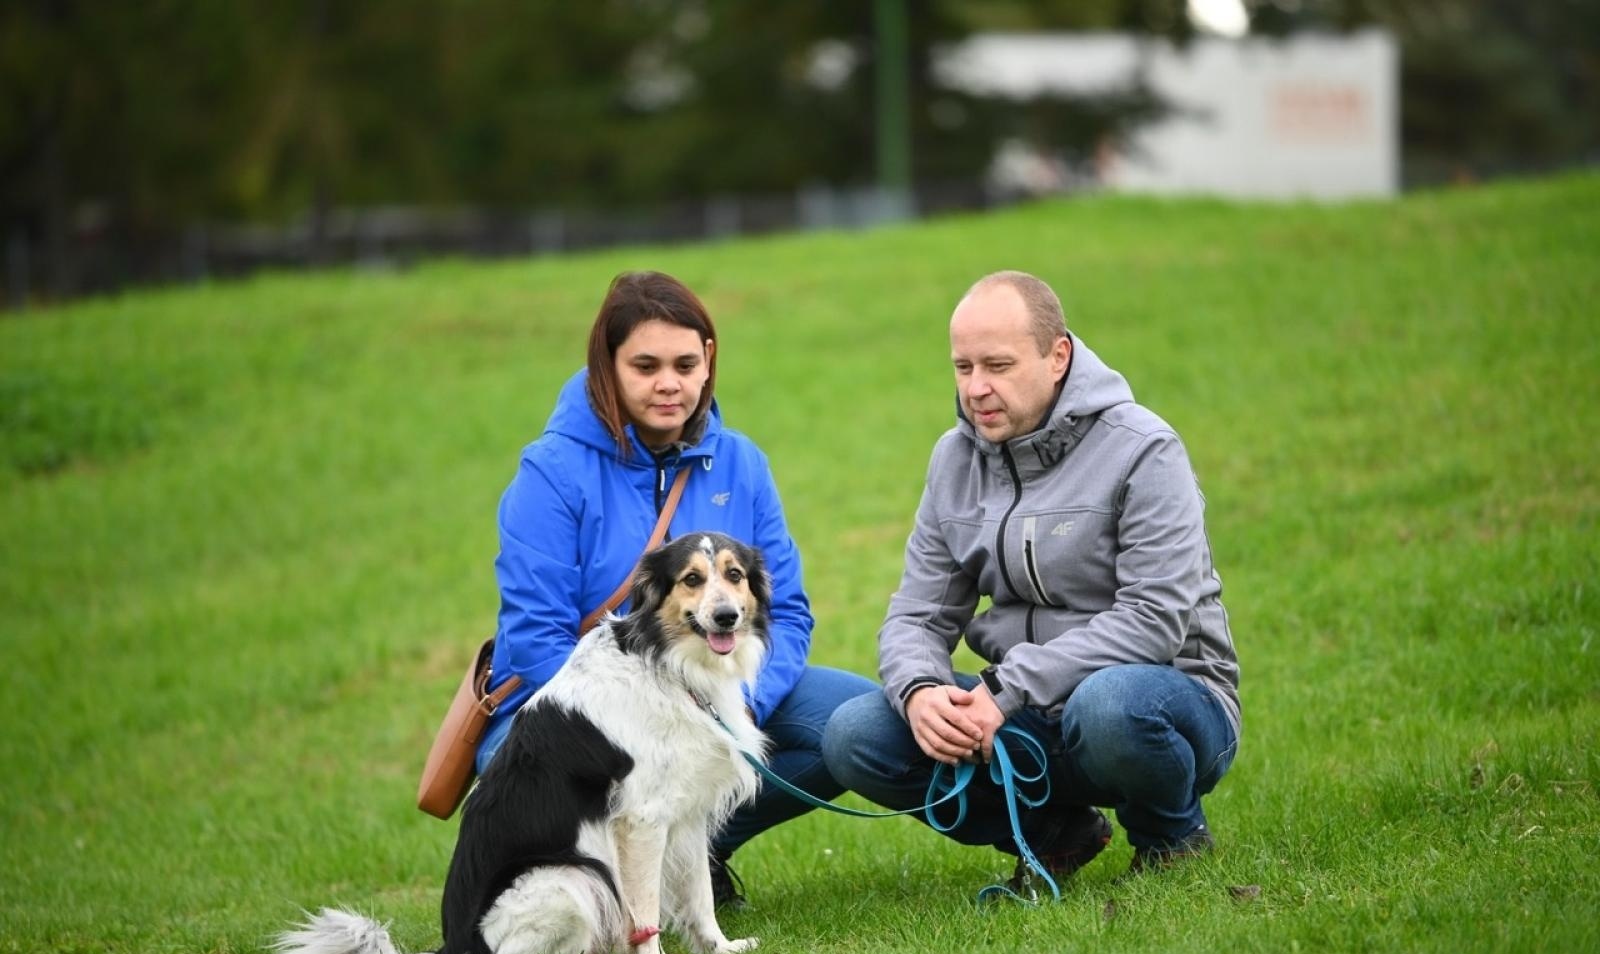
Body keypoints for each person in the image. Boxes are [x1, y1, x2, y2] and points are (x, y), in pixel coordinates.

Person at [822, 270, 1239, 889]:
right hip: (1021, 712)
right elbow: (917, 614)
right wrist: (922, 693)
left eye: (997, 365)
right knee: (855, 735)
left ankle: (1171, 837)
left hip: (1164, 700)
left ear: (1057, 355)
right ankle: (1054, 834)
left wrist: (1005, 688)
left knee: (1108, 706)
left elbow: (1154, 621)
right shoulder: (953, 460)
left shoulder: (1144, 449)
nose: (977, 389)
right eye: (963, 368)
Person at [475, 270, 877, 906]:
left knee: (860, 724)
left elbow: (788, 612)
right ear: (606, 366)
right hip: (570, 716)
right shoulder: (549, 472)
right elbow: (533, 642)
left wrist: (734, 705)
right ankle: (611, 878)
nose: (670, 383)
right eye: (646, 365)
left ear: (709, 360)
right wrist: (661, 716)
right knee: (629, 764)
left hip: (716, 685)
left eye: (687, 363)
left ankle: (690, 858)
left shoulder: (742, 462)